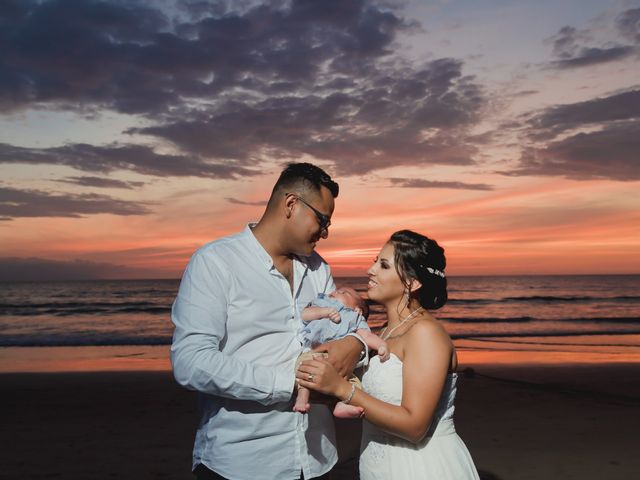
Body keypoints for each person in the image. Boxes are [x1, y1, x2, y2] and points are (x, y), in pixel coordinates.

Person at [171, 163, 367, 480]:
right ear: (291, 204)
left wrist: (356, 345)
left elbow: (344, 326)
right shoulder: (215, 262)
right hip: (242, 462)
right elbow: (191, 361)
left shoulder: (319, 269)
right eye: (323, 219)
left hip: (317, 460)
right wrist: (290, 385)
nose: (325, 232)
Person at [296, 230, 480, 479]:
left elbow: (415, 426)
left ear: (412, 283)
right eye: (375, 261)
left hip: (419, 466)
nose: (370, 270)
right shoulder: (380, 334)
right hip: (377, 464)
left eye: (383, 265)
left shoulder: (425, 333)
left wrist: (342, 390)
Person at [294, 286, 390, 417]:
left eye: (344, 293)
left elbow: (367, 336)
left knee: (354, 382)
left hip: (340, 358)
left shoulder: (355, 317)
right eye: (336, 290)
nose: (336, 292)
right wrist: (324, 312)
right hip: (314, 351)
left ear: (357, 309)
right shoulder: (321, 304)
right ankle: (302, 397)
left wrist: (381, 345)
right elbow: (304, 315)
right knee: (304, 367)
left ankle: (342, 405)